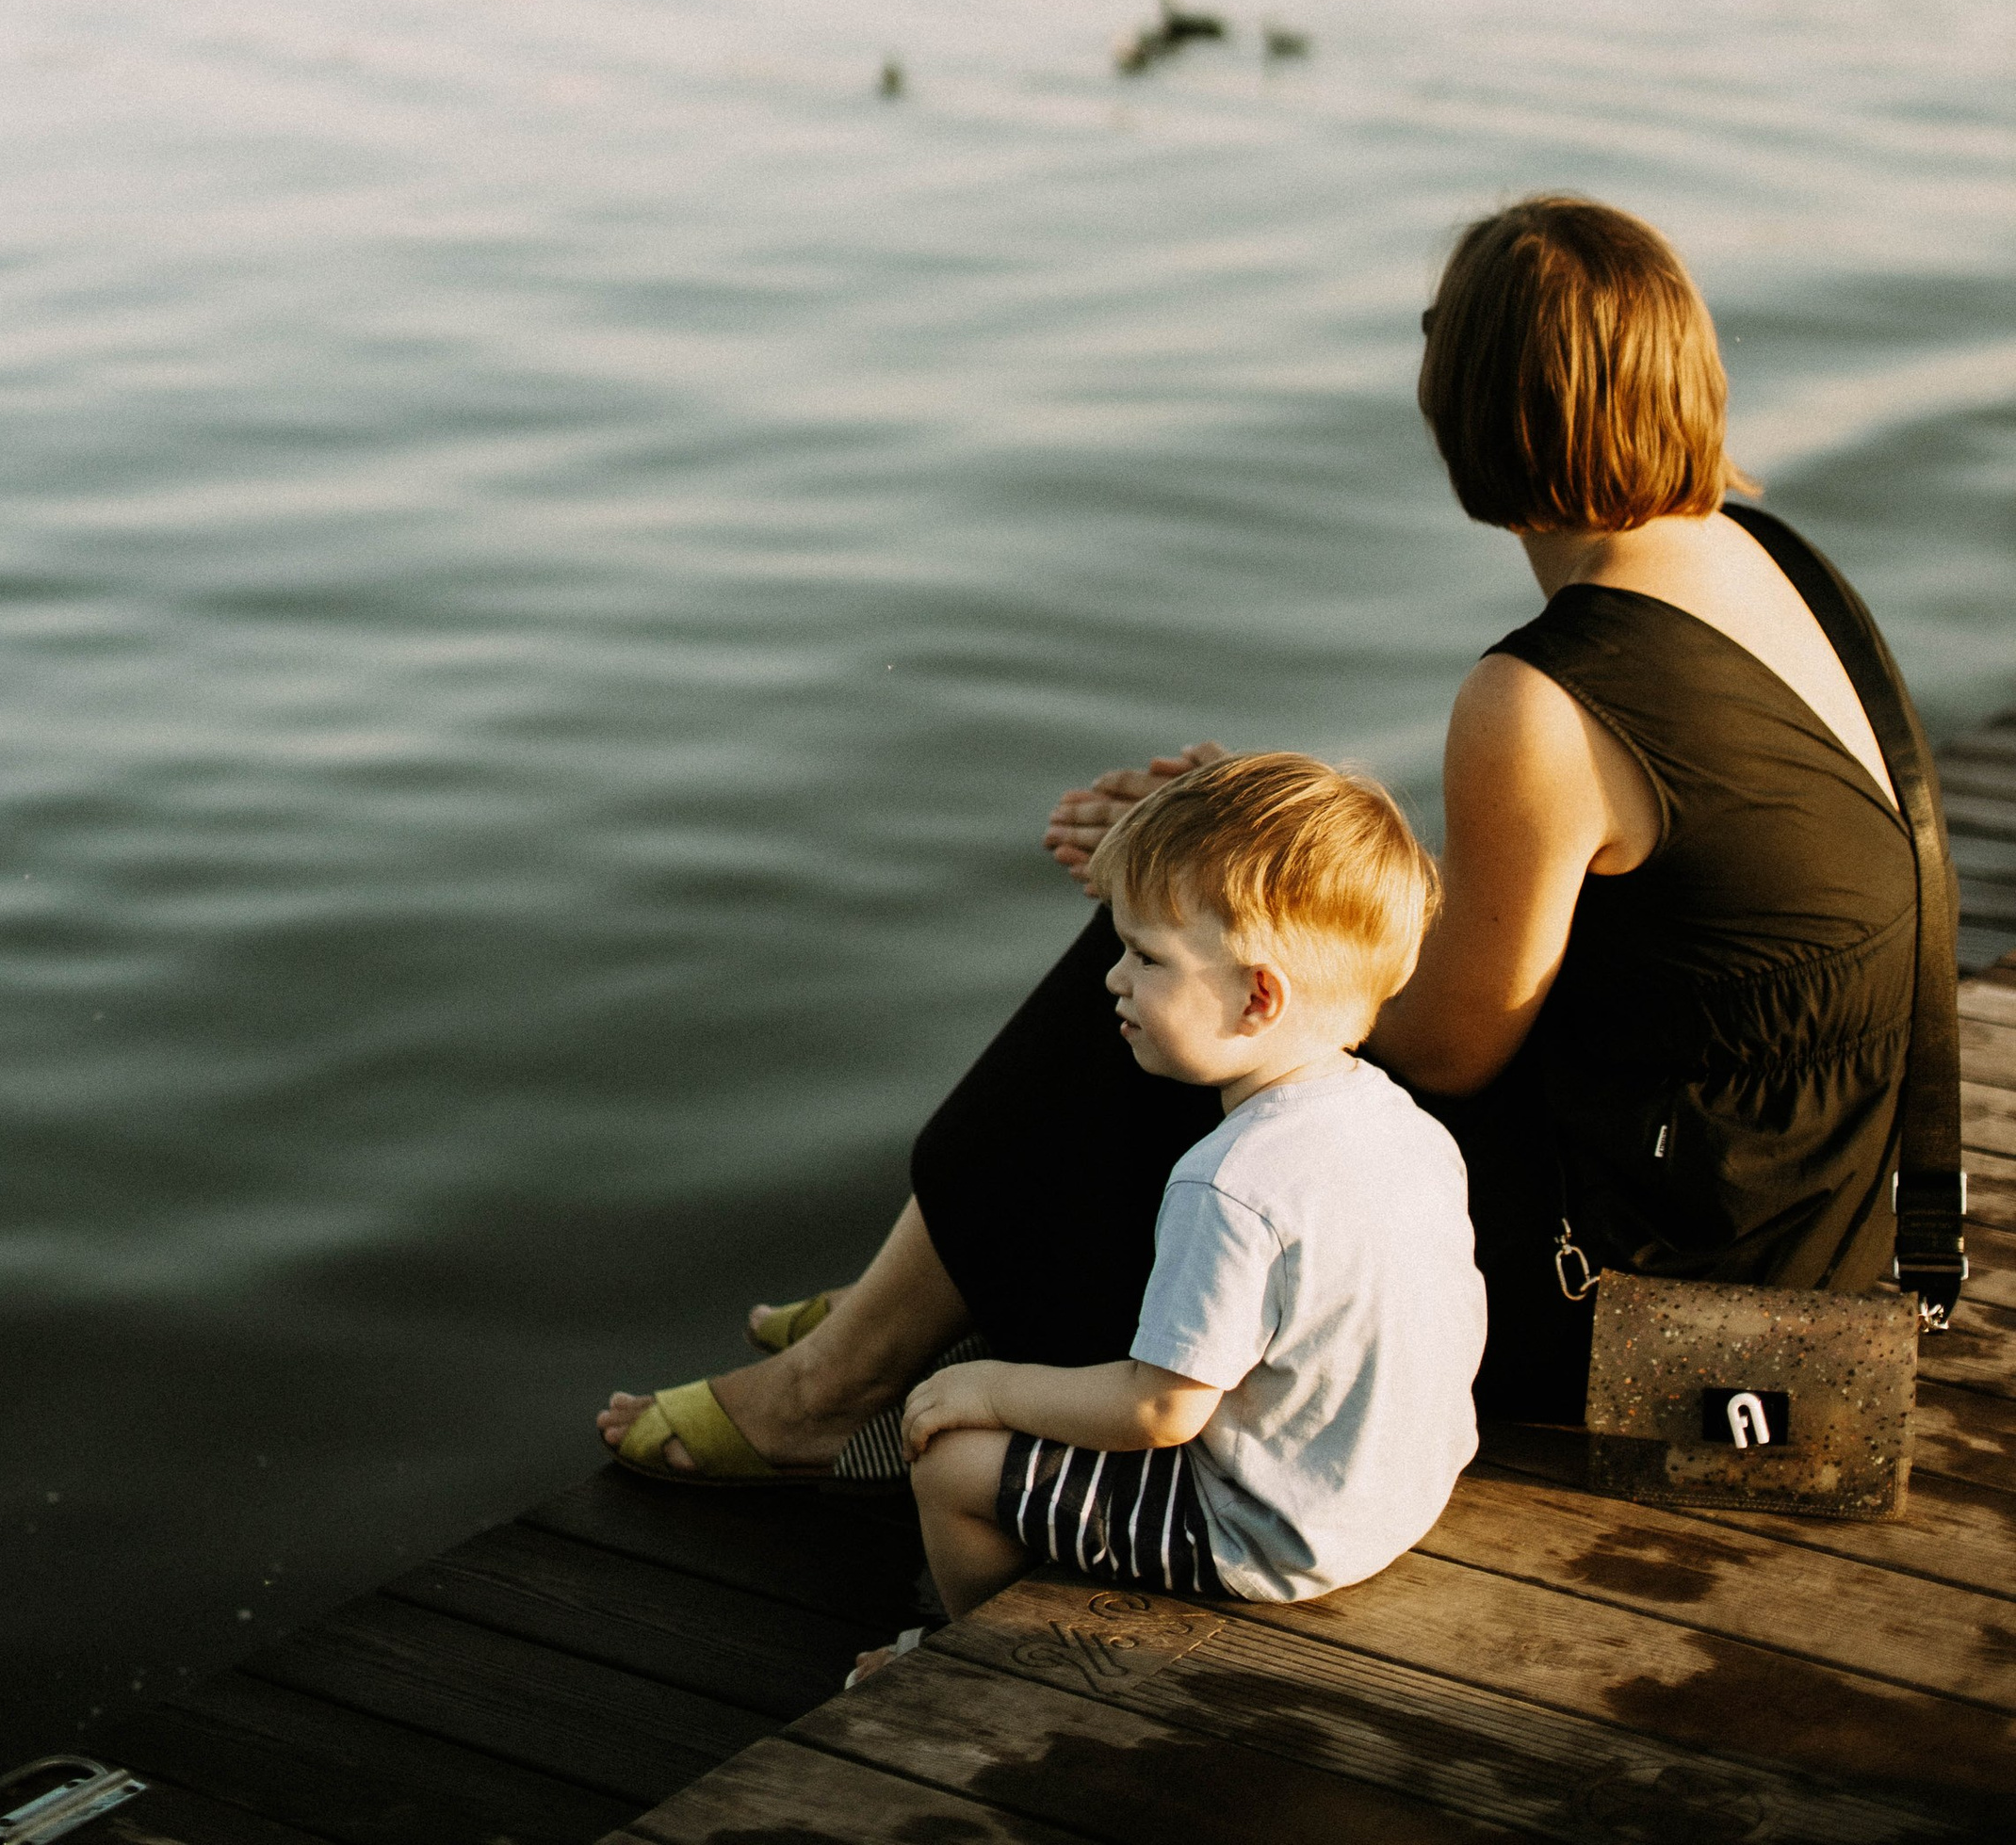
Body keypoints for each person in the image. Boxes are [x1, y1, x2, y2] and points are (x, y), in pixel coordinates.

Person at [599, 197, 1918, 1477]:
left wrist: (1240, 889)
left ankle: (835, 1388)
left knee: (1170, 959)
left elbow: (1452, 1048)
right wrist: (1251, 857)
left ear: (1471, 407)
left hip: (1671, 1320)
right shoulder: (1769, 558)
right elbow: (1644, 926)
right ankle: (909, 1300)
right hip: (1802, 1232)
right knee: (1200, 921)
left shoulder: (1546, 697)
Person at [854, 753, 1484, 1669]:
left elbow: (1159, 1411)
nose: (1113, 979)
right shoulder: (1402, 1126)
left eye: (1145, 957)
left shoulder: (1230, 1180)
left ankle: (973, 1666)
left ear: (1257, 996)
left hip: (1273, 1534)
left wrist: (986, 1388)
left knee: (951, 1465)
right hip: (1397, 1484)